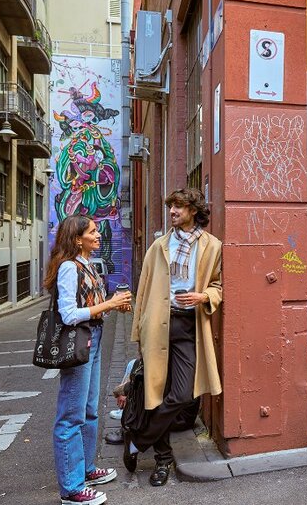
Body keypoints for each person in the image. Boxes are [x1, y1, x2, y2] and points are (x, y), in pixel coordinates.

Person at [128, 188, 223, 486]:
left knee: (181, 394)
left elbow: (219, 285)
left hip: (188, 325)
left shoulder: (212, 246)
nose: (172, 212)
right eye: (170, 206)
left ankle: (138, 441)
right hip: (157, 324)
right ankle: (162, 460)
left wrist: (204, 295)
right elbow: (143, 290)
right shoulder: (159, 246)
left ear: (193, 210)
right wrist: (139, 331)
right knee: (155, 393)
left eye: (178, 207)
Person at [44, 215, 132, 505]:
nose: (98, 235)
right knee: (71, 415)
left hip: (91, 340)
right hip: (78, 344)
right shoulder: (69, 267)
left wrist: (111, 308)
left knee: (90, 410)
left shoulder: (86, 264)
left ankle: (86, 470)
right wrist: (109, 303)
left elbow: (91, 307)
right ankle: (71, 489)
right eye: (92, 232)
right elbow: (69, 314)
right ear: (77, 238)